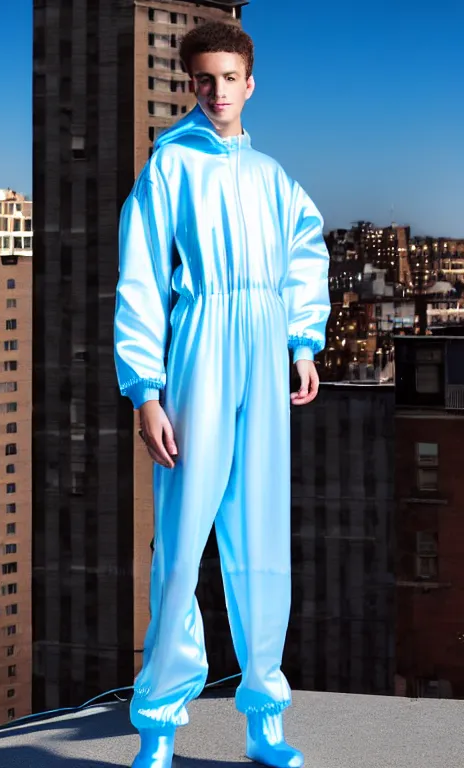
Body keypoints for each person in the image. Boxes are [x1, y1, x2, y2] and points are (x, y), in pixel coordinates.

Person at [114, 21, 330, 768]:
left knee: (261, 541)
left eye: (227, 78)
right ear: (192, 84)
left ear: (250, 84)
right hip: (200, 347)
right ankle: (160, 728)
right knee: (180, 548)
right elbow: (140, 277)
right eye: (202, 80)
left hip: (264, 348)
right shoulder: (169, 167)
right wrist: (145, 390)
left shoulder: (273, 176)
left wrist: (302, 342)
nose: (215, 92)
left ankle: (266, 721)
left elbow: (307, 247)